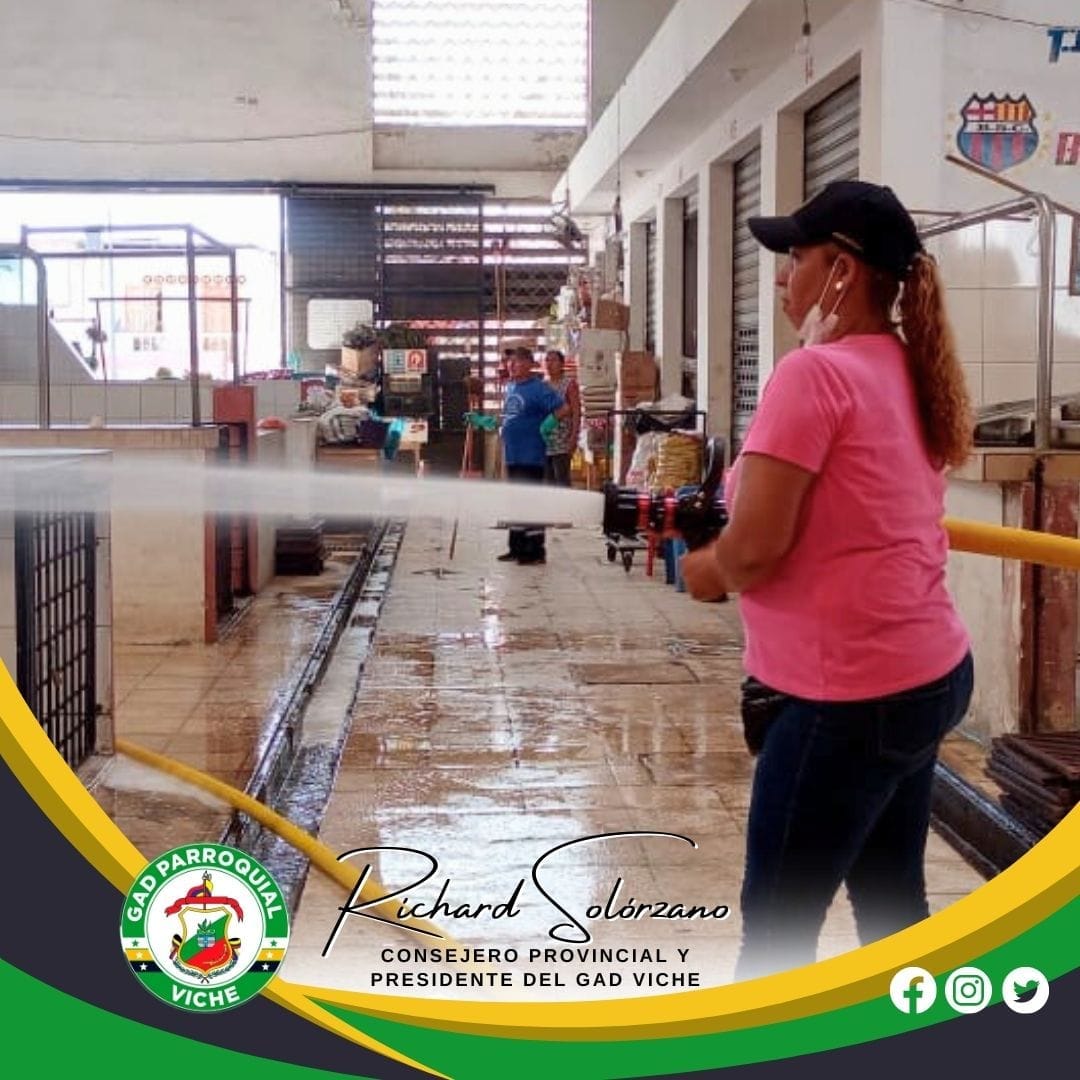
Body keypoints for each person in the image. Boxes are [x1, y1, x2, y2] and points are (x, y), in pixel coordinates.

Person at [680, 179, 974, 980]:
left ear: (841, 272)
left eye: (795, 257)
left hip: (845, 698)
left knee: (775, 932)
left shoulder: (811, 376)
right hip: (926, 673)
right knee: (891, 899)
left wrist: (704, 568)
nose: (781, 275)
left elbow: (753, 552)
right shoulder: (904, 365)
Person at [498, 346, 570, 564]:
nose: (512, 365)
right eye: (510, 361)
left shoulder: (539, 388)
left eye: (518, 361)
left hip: (531, 454)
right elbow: (510, 415)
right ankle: (516, 547)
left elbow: (564, 408)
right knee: (515, 501)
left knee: (531, 501)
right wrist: (491, 422)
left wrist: (549, 423)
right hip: (513, 453)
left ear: (530, 364)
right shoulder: (511, 386)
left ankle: (535, 551)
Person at [542, 349, 581, 486]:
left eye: (553, 360)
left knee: (562, 480)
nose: (549, 364)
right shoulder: (543, 385)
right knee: (548, 482)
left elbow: (576, 412)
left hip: (563, 441)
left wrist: (574, 437)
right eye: (547, 360)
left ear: (562, 364)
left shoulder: (569, 384)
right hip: (546, 441)